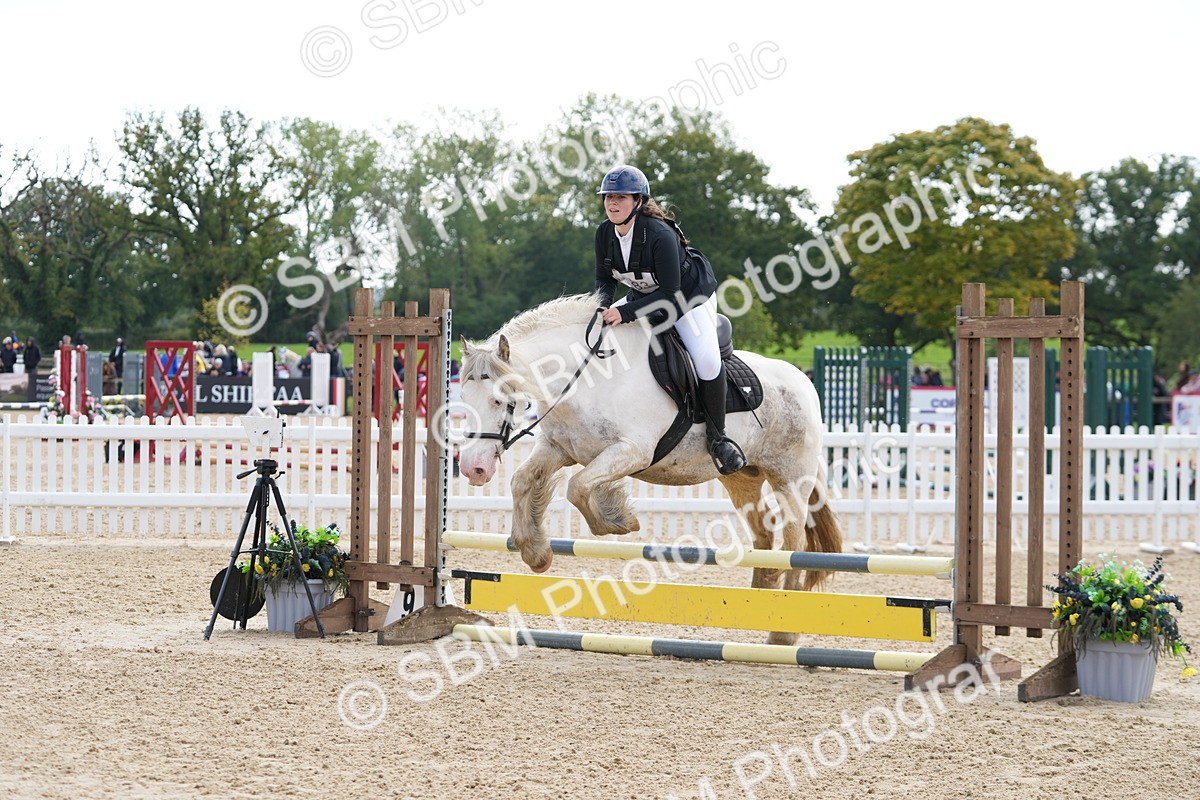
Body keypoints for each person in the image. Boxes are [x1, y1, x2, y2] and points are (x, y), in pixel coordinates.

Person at [593, 164, 745, 475]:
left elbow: (671, 294)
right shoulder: (605, 233)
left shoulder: (659, 234)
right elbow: (604, 279)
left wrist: (623, 313)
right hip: (645, 294)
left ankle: (719, 438)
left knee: (706, 361)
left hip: (687, 300)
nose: (612, 202)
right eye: (608, 196)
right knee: (597, 331)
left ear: (638, 201)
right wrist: (603, 306)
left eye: (620, 197)